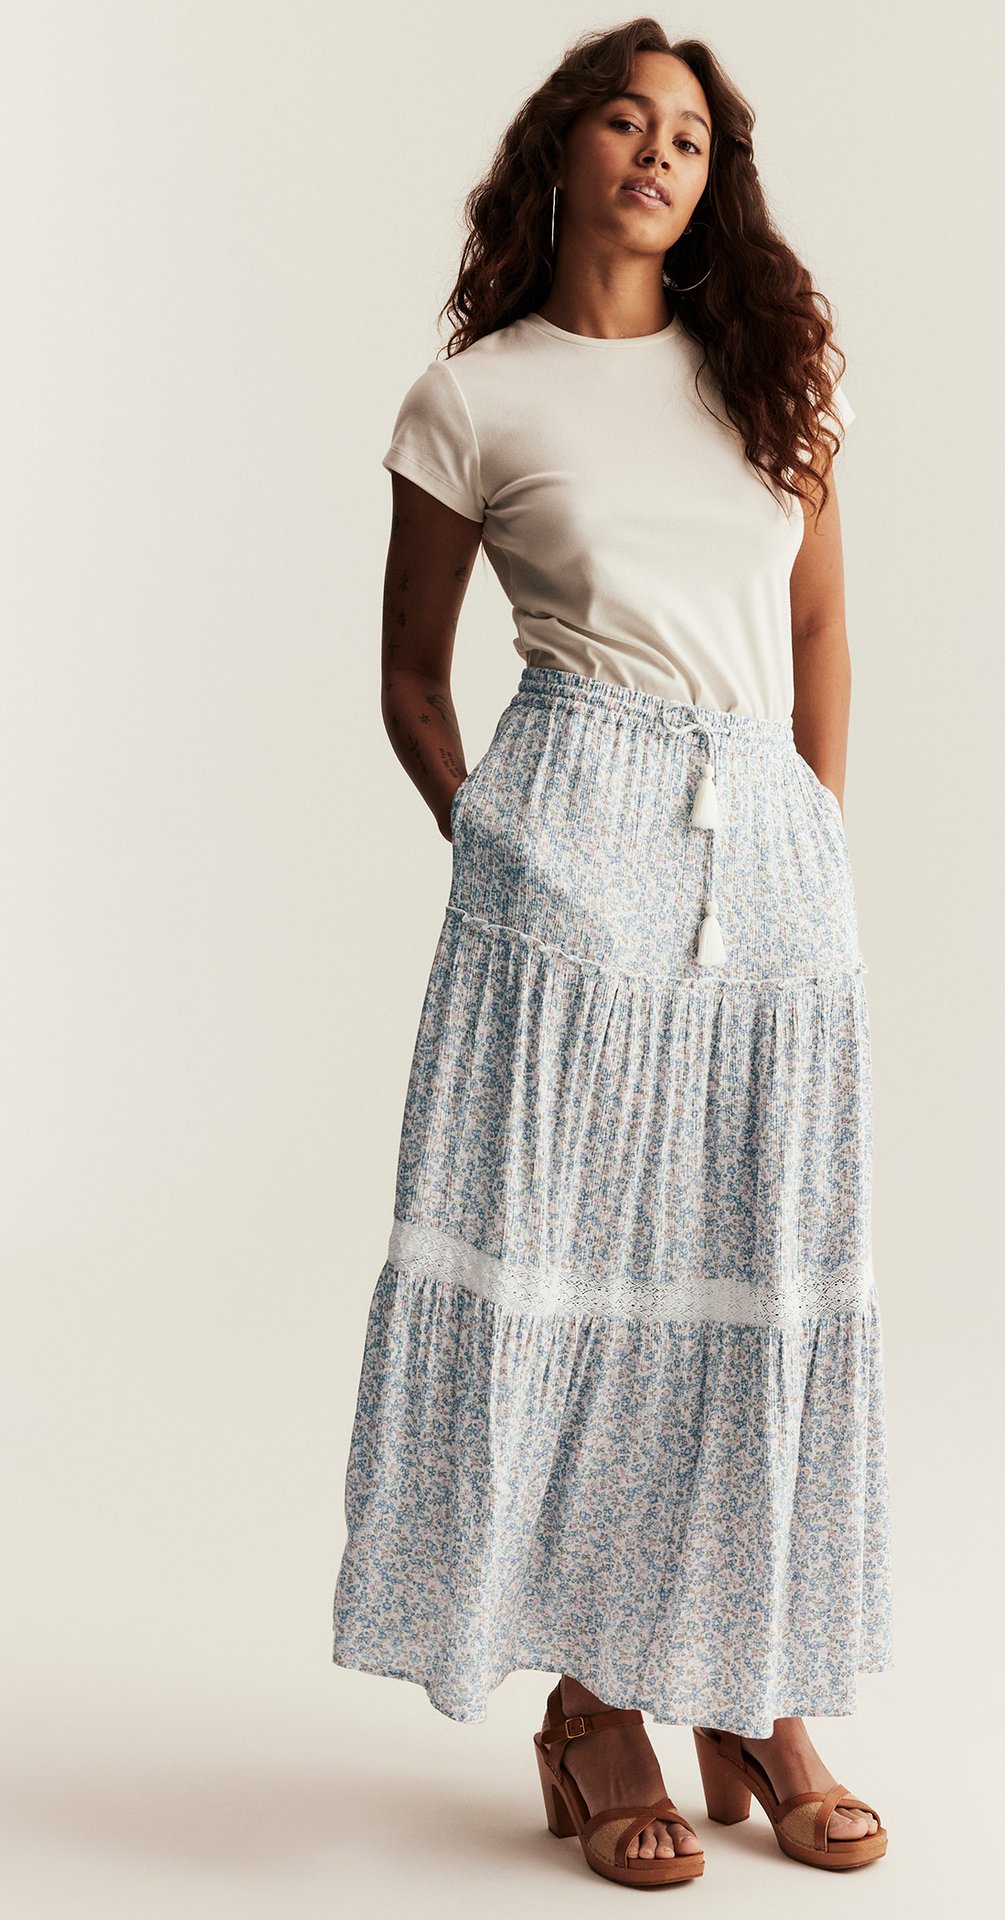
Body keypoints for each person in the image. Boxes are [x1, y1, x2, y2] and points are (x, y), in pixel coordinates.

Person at [333, 18, 892, 1889]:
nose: (662, 154)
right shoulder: (476, 397)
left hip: (770, 878)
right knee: (583, 1281)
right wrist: (502, 847)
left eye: (694, 138)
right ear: (560, 152)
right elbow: (415, 680)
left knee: (759, 1274)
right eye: (627, 121)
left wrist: (815, 840)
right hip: (567, 864)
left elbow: (819, 642)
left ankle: (754, 1680)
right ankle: (596, 1705)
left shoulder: (773, 385)